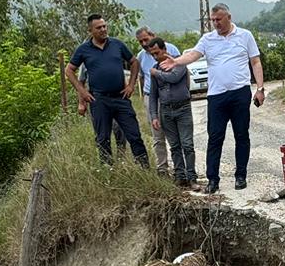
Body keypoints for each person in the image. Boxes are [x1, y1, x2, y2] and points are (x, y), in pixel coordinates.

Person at [163, 4, 264, 194]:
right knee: (215, 137)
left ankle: (240, 175)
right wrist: (176, 61)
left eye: (219, 19)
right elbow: (193, 54)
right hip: (216, 96)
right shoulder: (207, 39)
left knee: (241, 135)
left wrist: (260, 88)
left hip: (240, 92)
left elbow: (255, 62)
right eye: (213, 20)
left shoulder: (245, 35)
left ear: (229, 17)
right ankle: (213, 179)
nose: (215, 23)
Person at [66, 14, 148, 166]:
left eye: (104, 26)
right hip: (99, 100)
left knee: (134, 135)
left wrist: (131, 85)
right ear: (90, 30)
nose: (103, 29)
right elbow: (69, 70)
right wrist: (82, 93)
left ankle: (144, 168)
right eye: (99, 27)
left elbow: (134, 62)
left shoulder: (117, 44)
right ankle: (107, 170)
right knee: (102, 138)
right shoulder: (83, 49)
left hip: (121, 98)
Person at [146, 39, 197, 188]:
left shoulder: (178, 63)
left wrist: (157, 73)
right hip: (166, 110)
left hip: (183, 109)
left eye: (157, 52)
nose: (155, 57)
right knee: (174, 146)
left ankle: (192, 177)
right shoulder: (155, 68)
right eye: (152, 54)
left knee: (187, 144)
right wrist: (154, 116)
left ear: (164, 49)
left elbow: (173, 78)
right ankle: (180, 176)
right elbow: (153, 95)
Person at [135, 27, 180, 176]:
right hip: (151, 97)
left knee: (175, 134)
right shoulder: (141, 56)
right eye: (140, 41)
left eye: (146, 39)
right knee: (157, 134)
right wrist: (145, 98)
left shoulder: (171, 49)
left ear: (153, 36)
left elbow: (181, 70)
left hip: (170, 95)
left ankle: (181, 169)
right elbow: (142, 77)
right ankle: (162, 168)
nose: (143, 43)